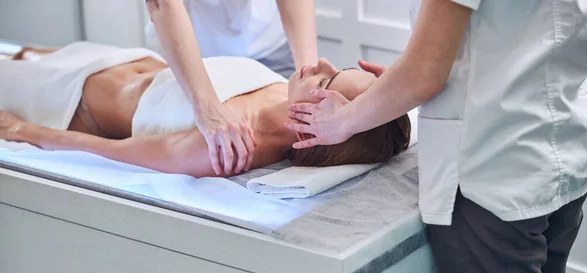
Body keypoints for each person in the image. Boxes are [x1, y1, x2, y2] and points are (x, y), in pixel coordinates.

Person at [286, 0, 587, 273]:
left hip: (494, 179)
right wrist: (398, 86)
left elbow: (427, 72)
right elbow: (502, 38)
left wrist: (341, 121)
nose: (322, 66)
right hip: (557, 157)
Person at [0, 44, 411, 178]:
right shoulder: (285, 95)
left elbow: (112, 152)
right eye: (337, 69)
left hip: (69, 100)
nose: (319, 65)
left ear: (311, 131)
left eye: (324, 83)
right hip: (115, 59)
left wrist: (21, 130)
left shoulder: (230, 145)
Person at [145, 0, 318, 177]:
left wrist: (308, 72)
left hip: (270, 42)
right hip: (194, 48)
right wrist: (206, 106)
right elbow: (164, 4)